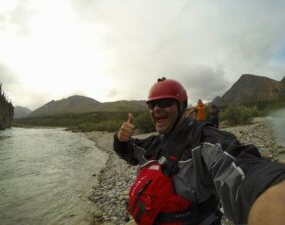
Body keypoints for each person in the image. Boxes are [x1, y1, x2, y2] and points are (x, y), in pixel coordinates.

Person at [113, 77, 285, 225]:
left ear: (181, 106)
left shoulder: (204, 139)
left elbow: (241, 168)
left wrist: (269, 193)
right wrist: (120, 140)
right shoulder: (153, 144)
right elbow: (129, 152)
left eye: (165, 103)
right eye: (152, 104)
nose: (156, 109)